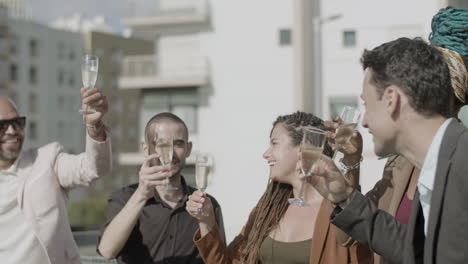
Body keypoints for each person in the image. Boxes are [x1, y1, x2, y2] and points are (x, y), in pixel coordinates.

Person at [305, 37, 468, 264]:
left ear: (391, 99)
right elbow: (415, 252)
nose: (363, 122)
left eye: (367, 104)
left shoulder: (461, 163)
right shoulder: (436, 166)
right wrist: (345, 197)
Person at [186, 111, 372, 264]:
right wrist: (206, 220)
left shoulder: (339, 211)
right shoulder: (268, 209)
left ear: (304, 147)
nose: (266, 154)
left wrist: (352, 160)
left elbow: (360, 251)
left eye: (274, 143)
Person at [0, 87, 112, 264]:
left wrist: (94, 126)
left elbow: (93, 168)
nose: (12, 131)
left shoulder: (46, 160)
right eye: (3, 125)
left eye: (18, 123)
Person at [97, 112, 224, 264]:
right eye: (162, 145)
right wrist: (141, 195)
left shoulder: (207, 205)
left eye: (178, 144)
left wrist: (205, 221)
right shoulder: (125, 197)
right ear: (145, 149)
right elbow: (107, 251)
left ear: (188, 149)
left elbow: (220, 261)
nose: (169, 154)